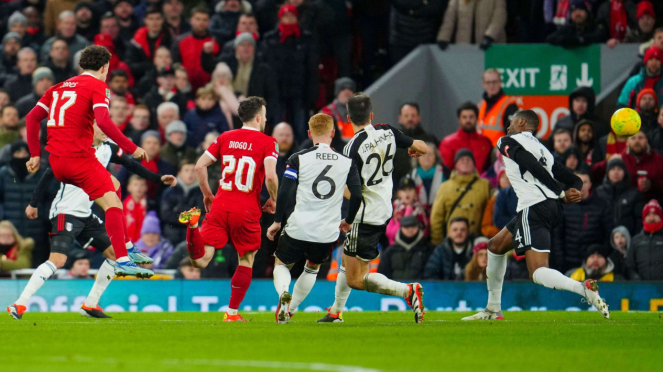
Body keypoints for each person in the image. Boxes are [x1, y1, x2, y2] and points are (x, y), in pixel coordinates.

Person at [13, 124, 176, 319]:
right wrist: (33, 203)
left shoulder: (109, 148)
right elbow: (49, 174)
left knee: (115, 254)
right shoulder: (74, 150)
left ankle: (90, 304)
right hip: (65, 211)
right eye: (100, 128)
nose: (105, 131)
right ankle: (20, 303)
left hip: (86, 214)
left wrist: (158, 179)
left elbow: (131, 164)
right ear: (89, 130)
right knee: (58, 260)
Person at [462, 109, 609, 321]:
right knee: (495, 246)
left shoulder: (508, 140)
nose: (508, 127)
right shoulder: (542, 148)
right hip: (548, 207)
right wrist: (574, 187)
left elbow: (527, 163)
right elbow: (564, 173)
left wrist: (560, 192)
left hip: (534, 206)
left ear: (521, 122)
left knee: (538, 272)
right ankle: (493, 309)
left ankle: (583, 288)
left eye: (511, 122)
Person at [24, 45, 152, 282]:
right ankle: (124, 260)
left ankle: (125, 245)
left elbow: (32, 117)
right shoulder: (98, 86)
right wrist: (132, 147)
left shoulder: (57, 87)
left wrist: (34, 154)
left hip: (56, 161)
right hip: (79, 159)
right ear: (105, 68)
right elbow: (103, 121)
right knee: (113, 202)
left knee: (113, 184)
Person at [317, 93, 428, 324]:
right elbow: (422, 147)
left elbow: (353, 191)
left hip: (364, 215)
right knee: (348, 262)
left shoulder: (351, 148)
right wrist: (412, 149)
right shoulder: (387, 130)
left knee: (356, 279)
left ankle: (408, 292)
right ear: (371, 115)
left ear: (348, 118)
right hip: (383, 209)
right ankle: (336, 312)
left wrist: (347, 217)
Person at [178, 96, 279, 322]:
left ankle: (192, 226)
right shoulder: (268, 142)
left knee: (201, 260)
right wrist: (273, 199)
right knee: (246, 259)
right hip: (247, 209)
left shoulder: (225, 137)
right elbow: (271, 176)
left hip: (220, 204)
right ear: (259, 117)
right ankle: (232, 313)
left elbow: (199, 165)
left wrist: (207, 194)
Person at [265, 113, 362, 323]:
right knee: (312, 268)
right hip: (327, 231)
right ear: (333, 133)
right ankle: (290, 310)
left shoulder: (298, 158)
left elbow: (284, 192)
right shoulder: (347, 162)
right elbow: (356, 194)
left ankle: (283, 293)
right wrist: (349, 219)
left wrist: (277, 221)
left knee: (281, 264)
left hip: (299, 225)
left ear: (309, 133)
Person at [261, 4, 317, 142]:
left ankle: (301, 155)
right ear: (280, 18)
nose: (289, 19)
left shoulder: (306, 39)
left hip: (299, 91)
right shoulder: (270, 39)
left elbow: (311, 68)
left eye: (292, 15)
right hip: (277, 92)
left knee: (300, 128)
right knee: (277, 127)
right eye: (286, 16)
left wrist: (311, 94)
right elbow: (266, 68)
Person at [201, 32, 279, 124]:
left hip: (252, 112)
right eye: (242, 45)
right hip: (229, 106)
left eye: (249, 45)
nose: (246, 48)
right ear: (236, 48)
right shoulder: (228, 60)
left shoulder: (263, 68)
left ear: (254, 48)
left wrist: (265, 115)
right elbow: (209, 66)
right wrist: (206, 54)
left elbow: (273, 94)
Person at [553, 170, 612, 272]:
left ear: (590, 184)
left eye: (584, 182)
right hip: (569, 262)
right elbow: (557, 236)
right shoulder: (563, 205)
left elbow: (607, 234)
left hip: (594, 265)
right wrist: (560, 260)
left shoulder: (602, 205)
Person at [430, 149, 492, 244]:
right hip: (451, 243)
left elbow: (491, 213)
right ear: (456, 164)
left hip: (477, 242)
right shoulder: (445, 187)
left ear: (474, 164)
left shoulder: (485, 185)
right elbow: (436, 218)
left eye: (468, 160)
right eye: (461, 160)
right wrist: (438, 243)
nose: (465, 162)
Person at [592, 130, 663, 199]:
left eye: (640, 138)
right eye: (633, 138)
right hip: (625, 204)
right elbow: (593, 171)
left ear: (646, 141)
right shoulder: (620, 158)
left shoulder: (659, 159)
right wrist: (608, 162)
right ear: (627, 142)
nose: (637, 141)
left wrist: (652, 184)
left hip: (654, 201)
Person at [171, 5, 219, 92]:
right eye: (198, 19)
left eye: (204, 20)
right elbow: (175, 64)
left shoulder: (216, 42)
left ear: (209, 22)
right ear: (191, 20)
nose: (201, 22)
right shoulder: (180, 41)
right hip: (184, 88)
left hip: (209, 89)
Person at [393, 102, 439, 186]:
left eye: (413, 115)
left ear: (419, 118)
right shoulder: (392, 140)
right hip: (399, 188)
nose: (410, 119)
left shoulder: (429, 139)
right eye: (406, 116)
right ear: (400, 118)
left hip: (427, 187)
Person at [595, 158, 644, 235]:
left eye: (619, 169)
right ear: (607, 172)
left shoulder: (634, 193)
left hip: (628, 239)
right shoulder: (598, 192)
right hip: (603, 238)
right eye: (612, 169)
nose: (616, 172)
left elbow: (639, 220)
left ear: (625, 172)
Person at [440, 102, 493, 174]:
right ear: (459, 120)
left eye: (471, 117)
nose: (468, 120)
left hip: (481, 183)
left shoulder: (486, 142)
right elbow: (445, 170)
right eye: (464, 117)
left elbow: (491, 169)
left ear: (477, 118)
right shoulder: (447, 143)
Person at [160, 161, 204, 246]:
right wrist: (190, 217)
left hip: (192, 236)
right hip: (171, 236)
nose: (190, 174)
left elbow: (202, 214)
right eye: (186, 170)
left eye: (193, 171)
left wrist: (178, 213)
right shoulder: (169, 192)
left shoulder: (202, 193)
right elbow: (166, 215)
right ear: (179, 173)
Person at [378, 215, 432, 281]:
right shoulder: (390, 251)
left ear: (418, 227)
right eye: (406, 227)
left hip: (420, 289)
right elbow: (383, 274)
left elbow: (430, 273)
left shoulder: (427, 249)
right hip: (395, 289)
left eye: (413, 226)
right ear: (401, 228)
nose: (410, 229)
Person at [126, 5, 173, 80]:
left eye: (158, 19)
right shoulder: (136, 41)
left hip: (165, 77)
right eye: (151, 19)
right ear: (145, 20)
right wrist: (149, 66)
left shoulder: (169, 40)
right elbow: (130, 64)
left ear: (162, 20)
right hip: (141, 79)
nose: (155, 22)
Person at [436, 0, 507, 49]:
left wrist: (490, 36)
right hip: (464, 45)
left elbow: (499, 15)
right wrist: (443, 38)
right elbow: (450, 17)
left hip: (490, 45)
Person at [477, 68, 519, 146]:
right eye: (488, 82)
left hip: (498, 151)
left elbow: (514, 134)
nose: (491, 85)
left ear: (500, 83)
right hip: (481, 150)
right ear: (483, 84)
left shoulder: (509, 105)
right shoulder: (481, 105)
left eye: (494, 82)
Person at [626, 199, 663, 280]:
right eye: (648, 215)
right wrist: (636, 279)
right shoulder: (636, 240)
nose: (652, 218)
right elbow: (629, 266)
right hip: (641, 288)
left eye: (655, 214)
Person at [408, 142, 444, 210]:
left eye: (430, 154)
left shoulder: (445, 173)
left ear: (435, 156)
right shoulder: (411, 175)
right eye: (423, 154)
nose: (426, 157)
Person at [123, 175, 147, 243]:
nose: (139, 188)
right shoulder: (123, 205)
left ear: (146, 188)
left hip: (143, 242)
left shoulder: (150, 205)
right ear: (129, 187)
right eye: (135, 185)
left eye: (142, 185)